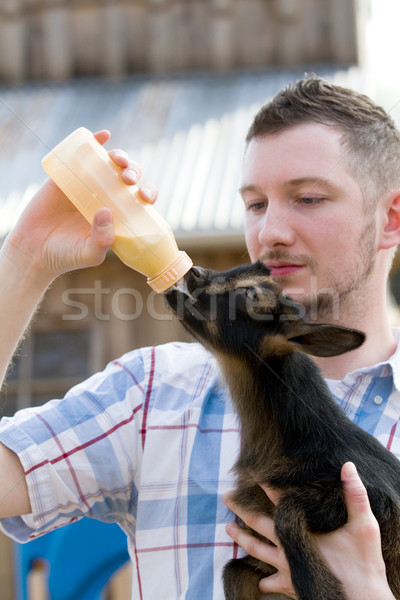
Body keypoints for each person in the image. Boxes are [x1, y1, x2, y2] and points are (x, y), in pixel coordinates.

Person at [0, 76, 398, 599]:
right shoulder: (153, 395)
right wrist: (25, 258)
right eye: (256, 204)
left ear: (391, 219)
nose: (271, 231)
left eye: (308, 198)